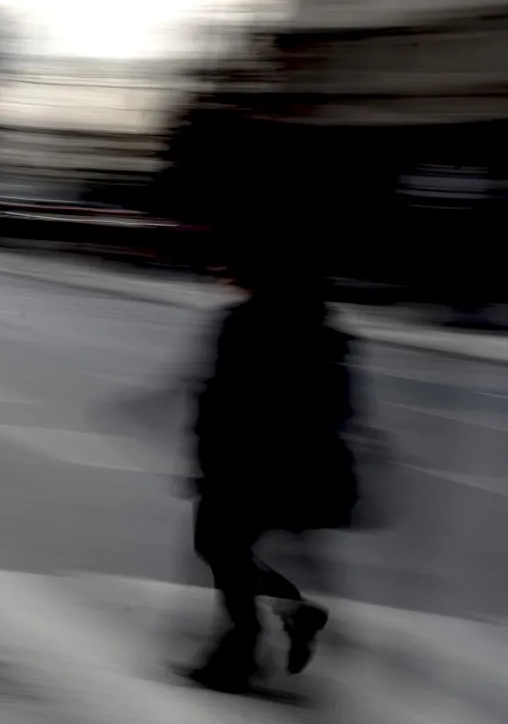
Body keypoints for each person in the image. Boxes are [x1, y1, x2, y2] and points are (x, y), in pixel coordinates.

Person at [186, 245, 358, 693]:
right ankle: (284, 620)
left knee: (219, 547)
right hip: (302, 465)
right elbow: (342, 409)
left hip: (244, 460)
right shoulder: (326, 332)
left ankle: (245, 646)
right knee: (228, 551)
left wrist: (205, 456)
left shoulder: (243, 323)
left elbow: (220, 396)